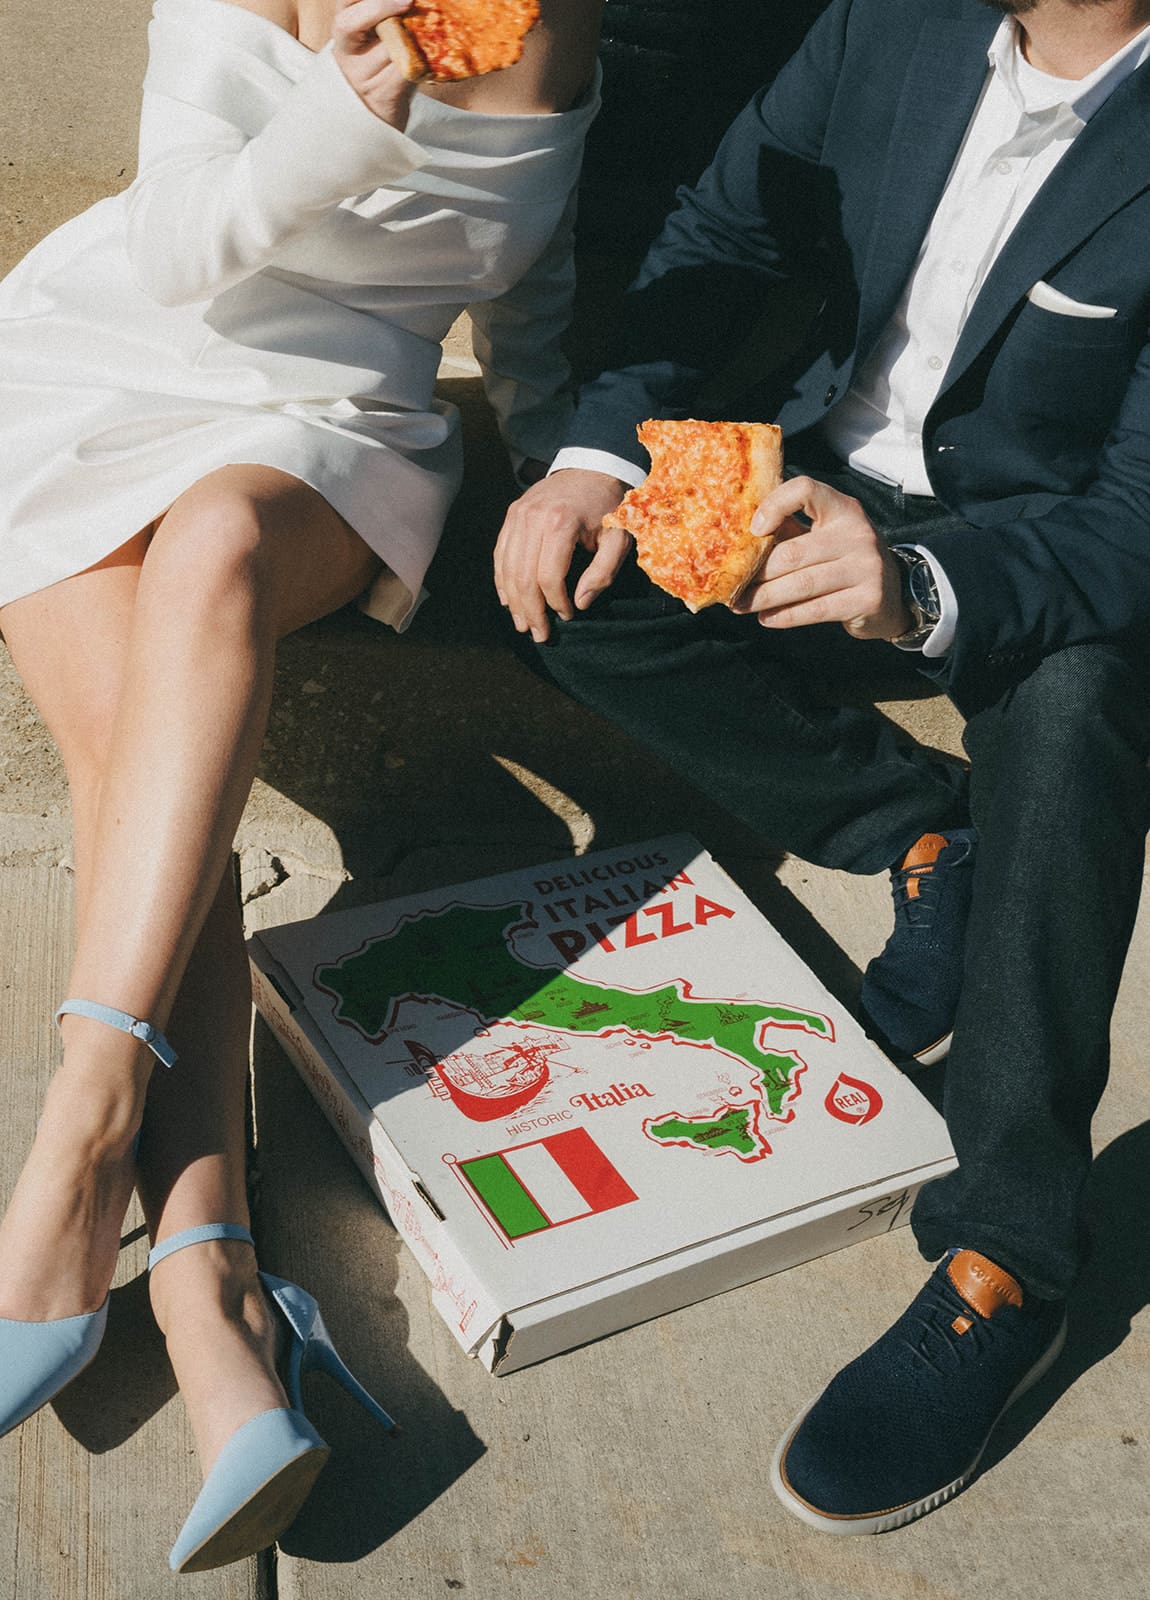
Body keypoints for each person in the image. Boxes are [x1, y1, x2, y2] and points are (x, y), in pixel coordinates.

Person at [495, 0, 1150, 1534]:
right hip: (823, 464)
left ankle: (1004, 1256)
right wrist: (597, 457)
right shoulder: (889, 24)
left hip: (1045, 547)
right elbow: (717, 236)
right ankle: (917, 832)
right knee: (561, 588)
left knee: (1070, 722)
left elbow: (1136, 515)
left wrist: (921, 591)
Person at [0, 0, 602, 1573]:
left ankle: (81, 1145)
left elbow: (535, 282)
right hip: (92, 366)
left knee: (207, 557)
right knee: (147, 793)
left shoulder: (561, 18)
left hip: (336, 425)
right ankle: (212, 1295)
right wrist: (346, 104)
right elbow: (184, 248)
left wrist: (569, 462)